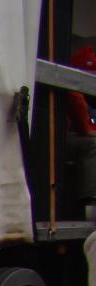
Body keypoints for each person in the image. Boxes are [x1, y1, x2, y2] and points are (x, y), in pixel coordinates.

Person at [66, 45, 96, 220]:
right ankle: (91, 203)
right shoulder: (73, 91)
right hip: (62, 139)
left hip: (77, 136)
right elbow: (85, 129)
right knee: (93, 145)